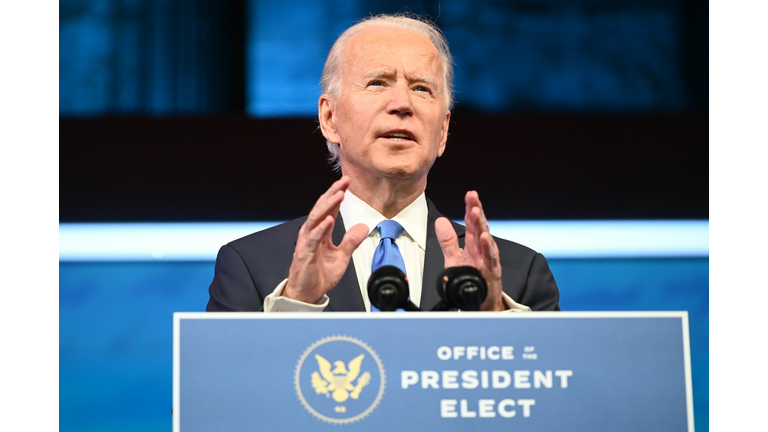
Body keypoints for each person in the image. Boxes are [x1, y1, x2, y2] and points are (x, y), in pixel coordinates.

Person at [207, 14, 560, 313]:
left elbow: (554, 390)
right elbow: (225, 390)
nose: (402, 104)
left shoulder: (519, 276)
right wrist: (297, 304)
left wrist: (493, 322)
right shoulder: (250, 267)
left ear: (443, 131)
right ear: (330, 119)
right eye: (378, 83)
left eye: (422, 88)